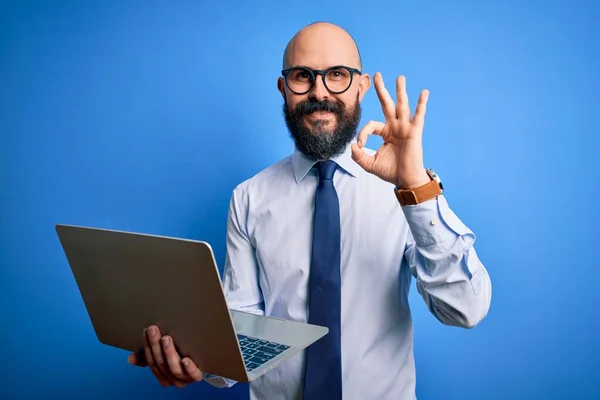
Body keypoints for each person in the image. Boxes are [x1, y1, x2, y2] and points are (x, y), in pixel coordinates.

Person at [127, 21, 492, 399]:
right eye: (303, 76)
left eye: (337, 75)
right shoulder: (249, 198)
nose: (319, 92)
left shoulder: (406, 192)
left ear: (361, 86)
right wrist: (201, 362)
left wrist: (415, 185)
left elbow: (465, 308)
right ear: (284, 89)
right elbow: (242, 333)